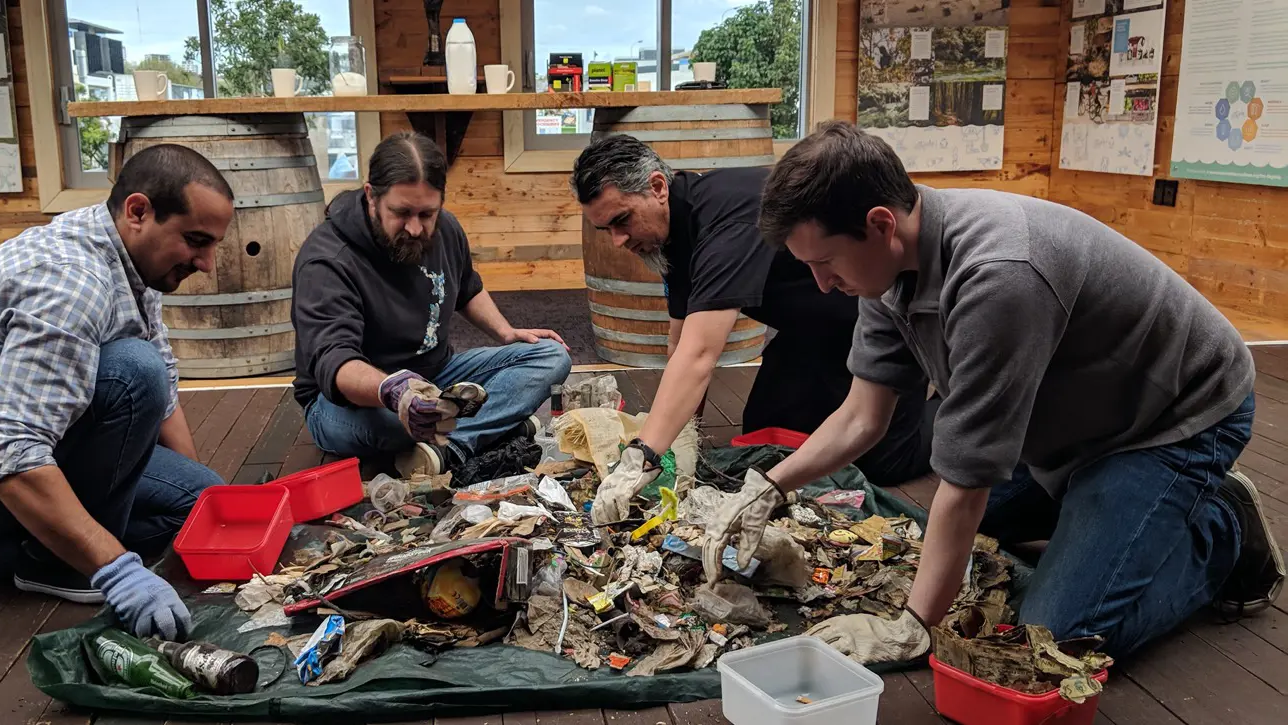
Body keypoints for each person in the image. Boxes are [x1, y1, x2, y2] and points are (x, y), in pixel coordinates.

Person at [703, 120, 1284, 662]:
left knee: (1055, 638)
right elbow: (861, 416)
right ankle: (1112, 515)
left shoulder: (999, 273)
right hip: (1067, 426)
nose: (822, 284)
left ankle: (1219, 528)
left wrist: (913, 626)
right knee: (936, 545)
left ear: (880, 223)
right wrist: (767, 488)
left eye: (825, 262)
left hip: (1168, 422)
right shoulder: (886, 263)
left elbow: (967, 478)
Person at [0, 144, 234, 642]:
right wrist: (116, 570)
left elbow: (164, 388)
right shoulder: (71, 282)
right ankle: (56, 564)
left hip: (12, 438)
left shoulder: (134, 261)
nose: (208, 263)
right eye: (196, 241)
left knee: (196, 505)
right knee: (130, 373)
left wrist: (213, 506)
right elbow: (10, 452)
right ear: (138, 211)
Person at [571, 135, 935, 525]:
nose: (618, 240)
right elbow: (680, 345)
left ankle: (949, 405)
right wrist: (679, 441)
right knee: (765, 440)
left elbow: (700, 356)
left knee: (881, 465)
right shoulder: (670, 236)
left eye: (622, 220)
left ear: (658, 187)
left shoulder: (728, 217)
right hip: (805, 335)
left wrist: (642, 457)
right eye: (605, 229)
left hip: (874, 321)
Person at [292, 131, 572, 477]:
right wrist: (394, 391)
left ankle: (450, 447)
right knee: (396, 423)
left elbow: (468, 288)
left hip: (437, 375)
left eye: (427, 213)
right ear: (371, 197)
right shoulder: (327, 260)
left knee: (550, 355)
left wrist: (506, 332)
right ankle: (493, 428)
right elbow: (335, 364)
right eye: (401, 212)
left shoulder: (446, 228)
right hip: (350, 402)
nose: (414, 228)